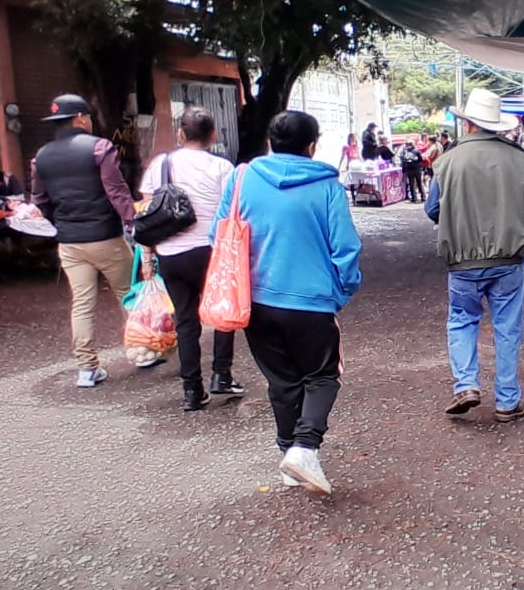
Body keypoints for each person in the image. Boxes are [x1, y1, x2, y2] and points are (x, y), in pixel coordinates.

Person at [213, 111, 362, 495]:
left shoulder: (241, 178)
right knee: (323, 376)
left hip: (255, 300)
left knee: (282, 380)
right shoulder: (328, 186)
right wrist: (342, 291)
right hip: (312, 301)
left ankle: (288, 457)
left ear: (270, 142)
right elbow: (345, 248)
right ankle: (305, 448)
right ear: (311, 146)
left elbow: (220, 233)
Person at [424, 89, 524, 423]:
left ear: (467, 122)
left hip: (462, 261)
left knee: (462, 320)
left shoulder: (446, 161)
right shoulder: (522, 158)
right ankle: (507, 401)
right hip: (509, 260)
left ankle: (466, 384)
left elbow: (432, 209)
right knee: (508, 327)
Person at [138, 108, 243, 412]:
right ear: (213, 135)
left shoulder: (161, 164)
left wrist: (147, 254)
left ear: (181, 134)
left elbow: (147, 210)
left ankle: (191, 392)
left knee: (186, 321)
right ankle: (221, 375)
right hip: (211, 252)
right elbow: (232, 212)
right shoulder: (223, 167)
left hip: (170, 253)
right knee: (223, 313)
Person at [31, 94, 137, 388]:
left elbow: (39, 199)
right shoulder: (99, 148)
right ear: (80, 118)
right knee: (128, 294)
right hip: (106, 237)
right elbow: (116, 191)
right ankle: (145, 350)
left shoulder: (41, 156)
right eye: (88, 117)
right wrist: (132, 222)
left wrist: (60, 224)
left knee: (82, 304)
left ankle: (87, 369)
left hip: (70, 242)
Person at [398, 138, 427, 202]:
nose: (408, 146)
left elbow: (420, 160)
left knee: (415, 183)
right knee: (414, 183)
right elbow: (420, 160)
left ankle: (419, 197)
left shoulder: (414, 151)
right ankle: (418, 197)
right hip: (413, 169)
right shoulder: (408, 151)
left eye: (409, 144)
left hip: (413, 169)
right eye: (408, 144)